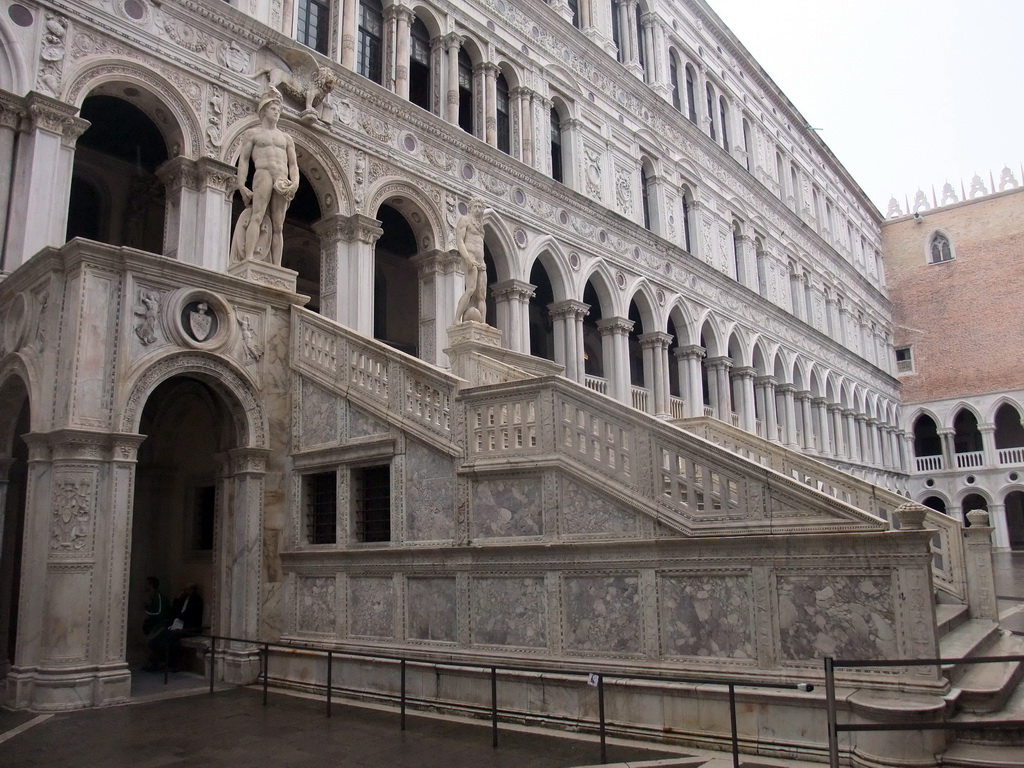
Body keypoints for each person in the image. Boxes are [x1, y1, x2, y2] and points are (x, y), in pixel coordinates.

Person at [235, 87, 299, 266]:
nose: (277, 112)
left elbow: (293, 165)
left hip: (282, 180)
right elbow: (244, 160)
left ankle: (277, 265)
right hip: (263, 174)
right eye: (273, 109)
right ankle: (249, 257)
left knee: (279, 226)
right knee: (258, 215)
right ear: (263, 110)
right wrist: (241, 185)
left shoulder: (286, 138)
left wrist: (295, 183)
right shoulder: (253, 134)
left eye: (279, 110)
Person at [146, 583, 205, 671]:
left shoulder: (196, 600)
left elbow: (186, 615)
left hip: (188, 628)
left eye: (186, 590)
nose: (184, 591)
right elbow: (174, 611)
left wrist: (177, 615)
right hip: (177, 625)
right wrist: (177, 599)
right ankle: (157, 663)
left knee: (169, 639)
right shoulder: (184, 599)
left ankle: (171, 663)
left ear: (192, 590)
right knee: (158, 637)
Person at [454, 199, 493, 324]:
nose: (478, 209)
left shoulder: (481, 226)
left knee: (482, 295)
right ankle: (456, 319)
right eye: (475, 206)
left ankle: (482, 323)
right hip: (470, 258)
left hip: (481, 262)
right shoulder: (465, 220)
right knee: (470, 289)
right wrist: (466, 258)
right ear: (470, 208)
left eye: (480, 207)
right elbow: (459, 240)